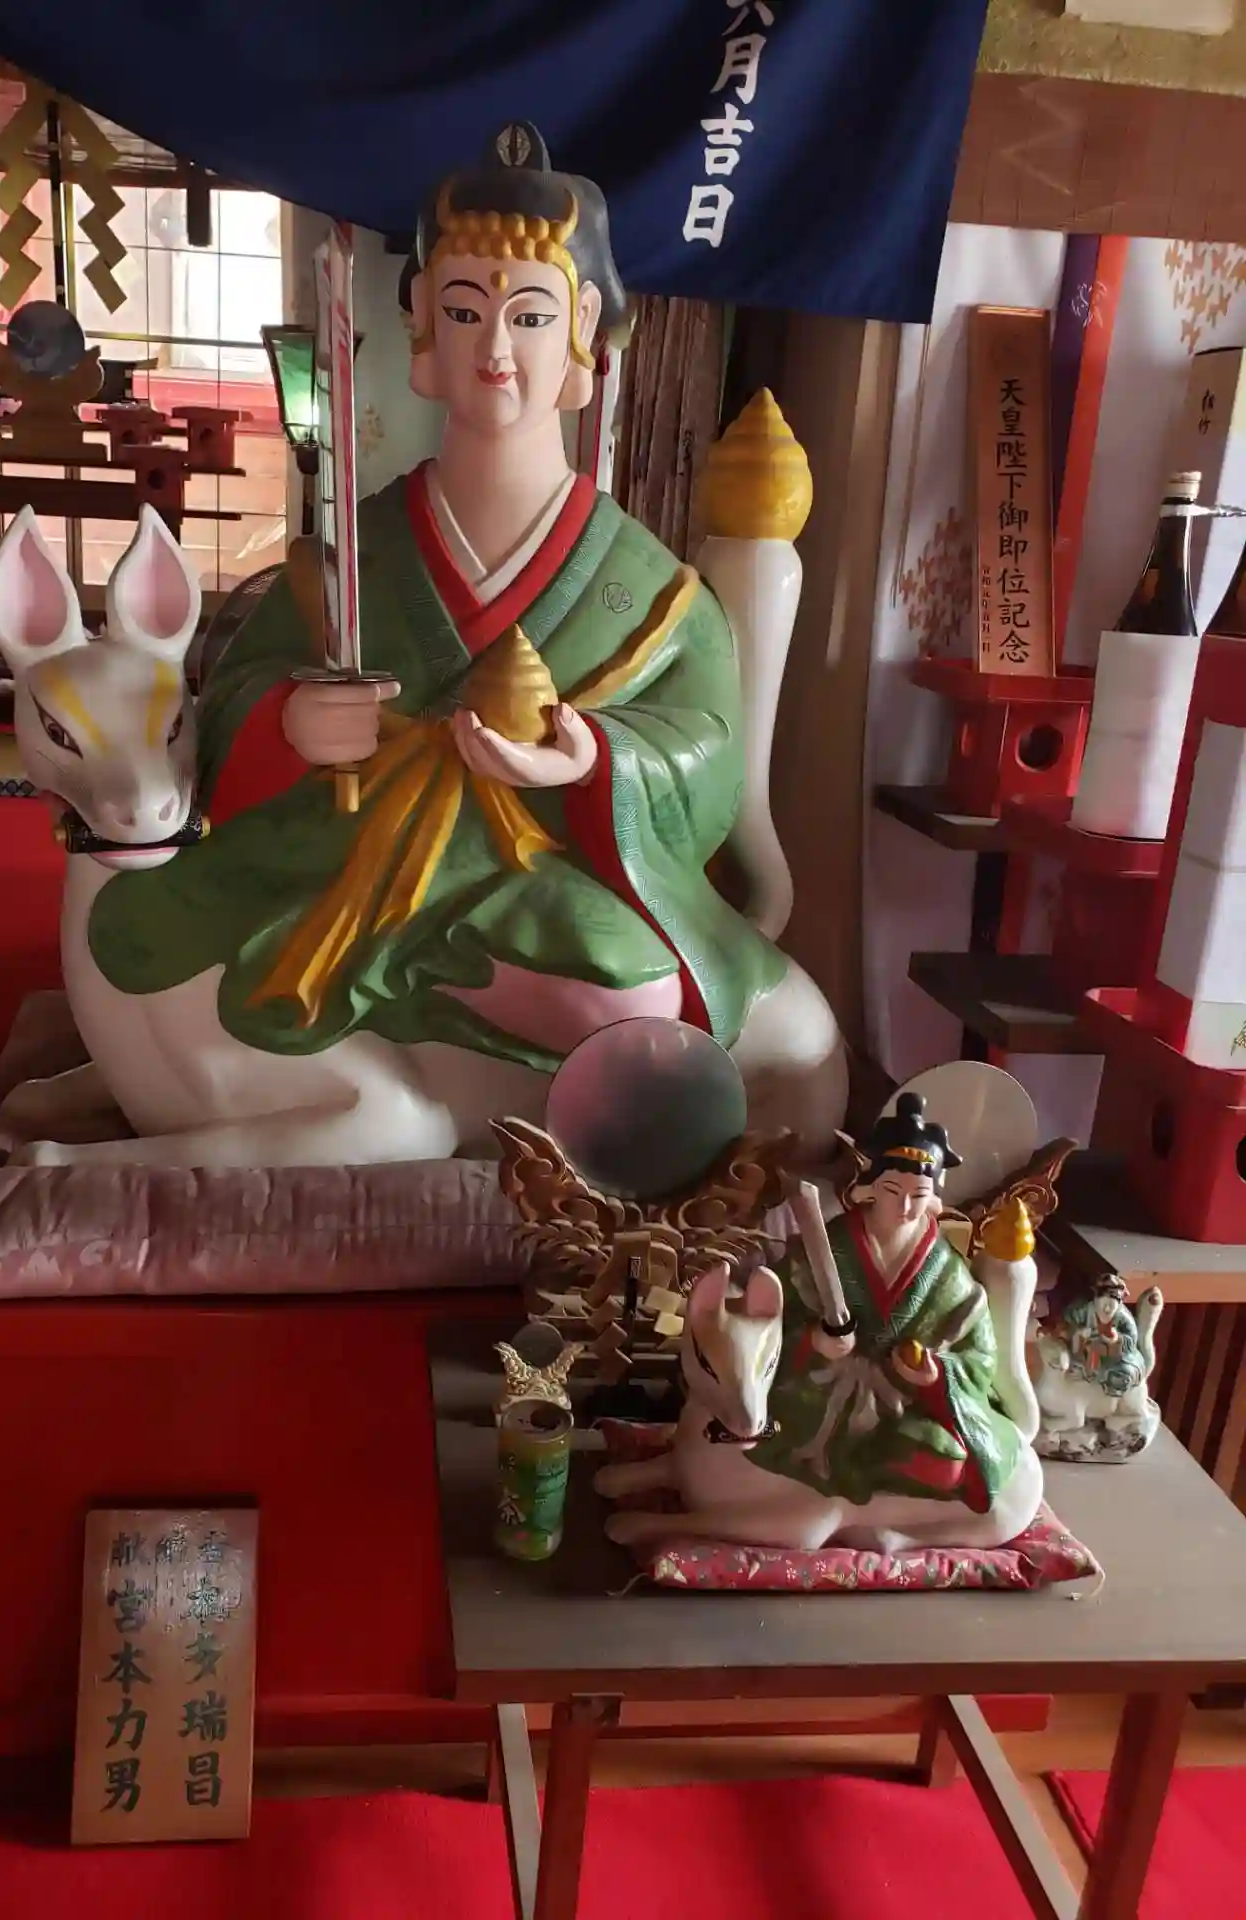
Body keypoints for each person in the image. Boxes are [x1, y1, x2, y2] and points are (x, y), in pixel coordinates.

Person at [84, 124, 795, 1087]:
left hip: (537, 868)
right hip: (343, 850)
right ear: (422, 321)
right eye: (463, 311)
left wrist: (590, 755)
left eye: (531, 316)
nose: (495, 349)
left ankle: (431, 1029)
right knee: (185, 929)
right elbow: (234, 693)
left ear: (584, 325)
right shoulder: (354, 555)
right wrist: (289, 720)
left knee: (631, 995)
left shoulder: (654, 590)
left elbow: (706, 750)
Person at [746, 1092, 1026, 1514]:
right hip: (823, 1388)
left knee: (945, 1460)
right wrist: (815, 1342)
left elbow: (980, 1353)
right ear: (869, 1188)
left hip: (907, 1403)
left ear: (934, 1197)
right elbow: (770, 1315)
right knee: (766, 1426)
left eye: (919, 1194)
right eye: (893, 1190)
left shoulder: (949, 1271)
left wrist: (935, 1374)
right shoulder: (826, 1247)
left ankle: (874, 1480)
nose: (906, 1206)